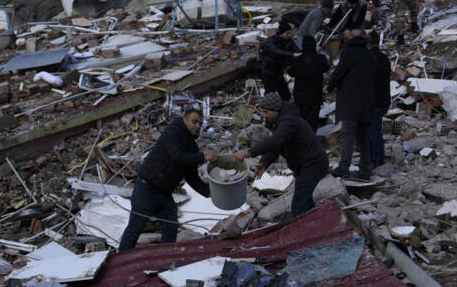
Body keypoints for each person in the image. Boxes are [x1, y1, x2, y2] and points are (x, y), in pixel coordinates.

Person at [119, 107, 217, 251]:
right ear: (184, 120)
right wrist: (203, 157)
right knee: (134, 229)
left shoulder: (192, 146)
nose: (197, 126)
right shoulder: (172, 132)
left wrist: (209, 192)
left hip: (165, 195)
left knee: (171, 228)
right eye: (194, 122)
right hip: (146, 189)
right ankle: (120, 262)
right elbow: (177, 156)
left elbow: (191, 176)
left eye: (199, 124)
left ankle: (165, 263)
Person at [236, 93, 329, 217]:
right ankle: (318, 222)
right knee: (306, 202)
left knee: (298, 207)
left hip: (312, 166)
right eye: (262, 111)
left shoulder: (289, 121)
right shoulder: (280, 119)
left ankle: (307, 231)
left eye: (266, 112)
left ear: (276, 110)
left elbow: (277, 140)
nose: (263, 115)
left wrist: (249, 152)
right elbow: (278, 145)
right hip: (305, 166)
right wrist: (264, 162)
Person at [327, 29, 376, 180]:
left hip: (351, 99)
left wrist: (329, 86)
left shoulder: (349, 53)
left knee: (348, 133)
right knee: (362, 135)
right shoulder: (371, 55)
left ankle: (344, 166)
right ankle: (365, 169)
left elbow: (339, 72)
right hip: (367, 100)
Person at [288, 35, 330, 129]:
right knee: (312, 121)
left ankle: (301, 140)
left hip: (300, 95)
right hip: (315, 96)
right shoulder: (321, 58)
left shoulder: (298, 60)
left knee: (301, 121)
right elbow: (327, 67)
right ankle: (311, 140)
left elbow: (290, 73)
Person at [258, 20, 297, 101]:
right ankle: (267, 111)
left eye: (290, 33)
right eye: (287, 33)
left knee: (286, 95)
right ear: (281, 33)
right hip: (269, 73)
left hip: (279, 73)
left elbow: (296, 49)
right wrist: (291, 54)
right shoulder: (271, 41)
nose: (289, 35)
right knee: (270, 95)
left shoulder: (289, 41)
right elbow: (276, 51)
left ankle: (284, 110)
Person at [368, 35, 391, 167]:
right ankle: (375, 158)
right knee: (375, 130)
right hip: (383, 99)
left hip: (374, 101)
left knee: (373, 132)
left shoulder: (370, 59)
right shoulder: (384, 58)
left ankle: (376, 160)